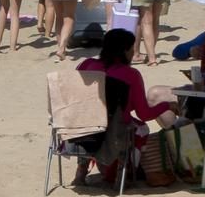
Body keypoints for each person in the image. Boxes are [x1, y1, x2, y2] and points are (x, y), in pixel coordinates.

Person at [72, 28, 177, 187]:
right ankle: (123, 174)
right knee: (142, 129)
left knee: (91, 122)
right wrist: (166, 105)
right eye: (132, 48)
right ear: (125, 50)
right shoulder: (130, 74)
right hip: (114, 128)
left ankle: (81, 171)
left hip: (81, 124)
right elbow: (144, 114)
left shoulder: (85, 65)